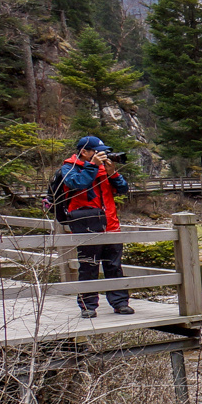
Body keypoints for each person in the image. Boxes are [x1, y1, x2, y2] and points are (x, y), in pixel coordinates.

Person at [56, 136, 132, 318]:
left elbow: (123, 189)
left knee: (114, 266)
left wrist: (113, 173)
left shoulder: (103, 169)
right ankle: (88, 306)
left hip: (111, 224)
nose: (102, 155)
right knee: (88, 267)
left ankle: (120, 303)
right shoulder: (69, 168)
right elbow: (77, 183)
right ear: (84, 152)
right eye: (98, 152)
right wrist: (92, 166)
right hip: (87, 226)